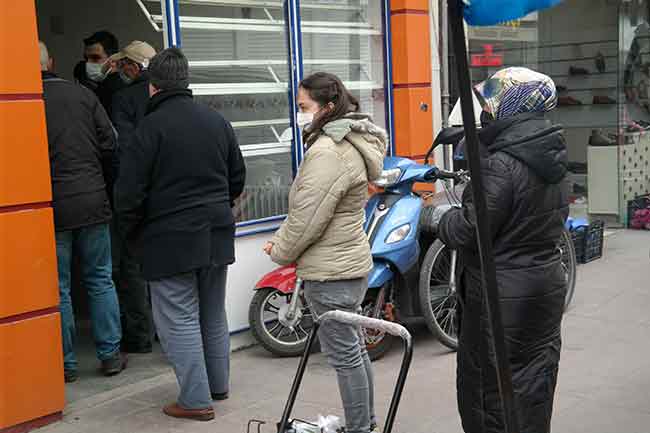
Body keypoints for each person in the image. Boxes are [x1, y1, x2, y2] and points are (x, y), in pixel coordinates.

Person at [435, 67, 569, 433]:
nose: (486, 109)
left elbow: (468, 230)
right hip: (543, 287)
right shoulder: (550, 154)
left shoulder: (500, 164)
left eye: (492, 100)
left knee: (489, 392)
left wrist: (438, 219)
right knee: (533, 384)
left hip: (501, 296)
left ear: (510, 104)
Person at [115, 48, 246, 421]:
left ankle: (194, 400)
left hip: (169, 238)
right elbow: (237, 177)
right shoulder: (216, 121)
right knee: (212, 312)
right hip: (217, 232)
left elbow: (129, 194)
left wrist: (130, 235)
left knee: (179, 318)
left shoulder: (148, 129)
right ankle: (216, 387)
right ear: (186, 81)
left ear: (152, 86)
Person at [264, 72, 387, 433]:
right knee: (354, 350)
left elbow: (307, 216)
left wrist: (281, 249)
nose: (300, 114)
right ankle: (365, 422)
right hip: (348, 261)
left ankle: (361, 427)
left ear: (328, 107)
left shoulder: (328, 152)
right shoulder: (348, 143)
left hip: (331, 270)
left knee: (345, 354)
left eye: (304, 107)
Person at [40, 41, 126, 383]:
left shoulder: (26, 103)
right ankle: (109, 357)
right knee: (100, 279)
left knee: (58, 288)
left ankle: (66, 364)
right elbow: (110, 143)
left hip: (52, 206)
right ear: (53, 61)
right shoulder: (83, 96)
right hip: (92, 201)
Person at [109, 40, 157, 354]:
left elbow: (124, 148)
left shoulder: (123, 98)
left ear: (133, 67)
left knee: (132, 266)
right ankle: (168, 333)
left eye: (123, 65)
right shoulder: (164, 96)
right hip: (165, 192)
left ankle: (140, 336)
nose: (120, 69)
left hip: (137, 192)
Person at [73, 31, 126, 118]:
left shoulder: (120, 94)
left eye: (95, 58)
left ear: (113, 59)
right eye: (86, 58)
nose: (88, 63)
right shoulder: (85, 84)